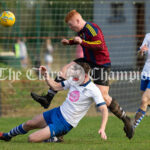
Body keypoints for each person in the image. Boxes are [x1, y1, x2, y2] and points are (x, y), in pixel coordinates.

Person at [31, 10, 133, 139]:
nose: (70, 27)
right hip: (88, 60)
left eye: (71, 25)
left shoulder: (92, 28)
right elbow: (81, 40)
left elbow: (99, 45)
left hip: (101, 64)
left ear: (78, 21)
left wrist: (81, 42)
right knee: (64, 70)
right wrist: (70, 42)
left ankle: (126, 119)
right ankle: (48, 98)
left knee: (104, 97)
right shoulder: (81, 31)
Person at [0, 62, 108, 142]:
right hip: (57, 112)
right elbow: (55, 86)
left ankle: (55, 139)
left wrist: (102, 129)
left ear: (85, 76)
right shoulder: (74, 81)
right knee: (29, 123)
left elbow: (104, 110)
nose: (74, 78)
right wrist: (46, 74)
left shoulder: (93, 90)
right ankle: (7, 136)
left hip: (64, 123)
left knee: (31, 139)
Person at [132, 33, 150, 132]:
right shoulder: (148, 36)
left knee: (144, 100)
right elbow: (140, 52)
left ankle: (132, 127)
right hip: (146, 73)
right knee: (146, 102)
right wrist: (141, 51)